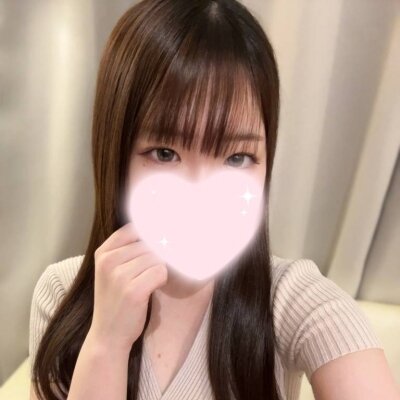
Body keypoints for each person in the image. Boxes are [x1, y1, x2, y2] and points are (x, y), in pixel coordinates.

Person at [29, 0, 400, 399]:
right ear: (115, 154)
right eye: (165, 153)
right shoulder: (63, 294)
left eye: (237, 158)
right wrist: (106, 343)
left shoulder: (293, 300)